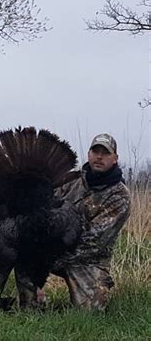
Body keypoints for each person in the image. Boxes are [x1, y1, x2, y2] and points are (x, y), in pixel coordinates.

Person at [15, 133, 131, 310]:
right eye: (95, 151)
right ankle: (30, 306)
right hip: (53, 249)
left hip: (89, 260)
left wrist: (45, 260)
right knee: (24, 252)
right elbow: (43, 210)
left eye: (105, 153)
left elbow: (93, 243)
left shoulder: (119, 196)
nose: (99, 157)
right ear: (89, 154)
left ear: (115, 158)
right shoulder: (71, 180)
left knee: (90, 311)